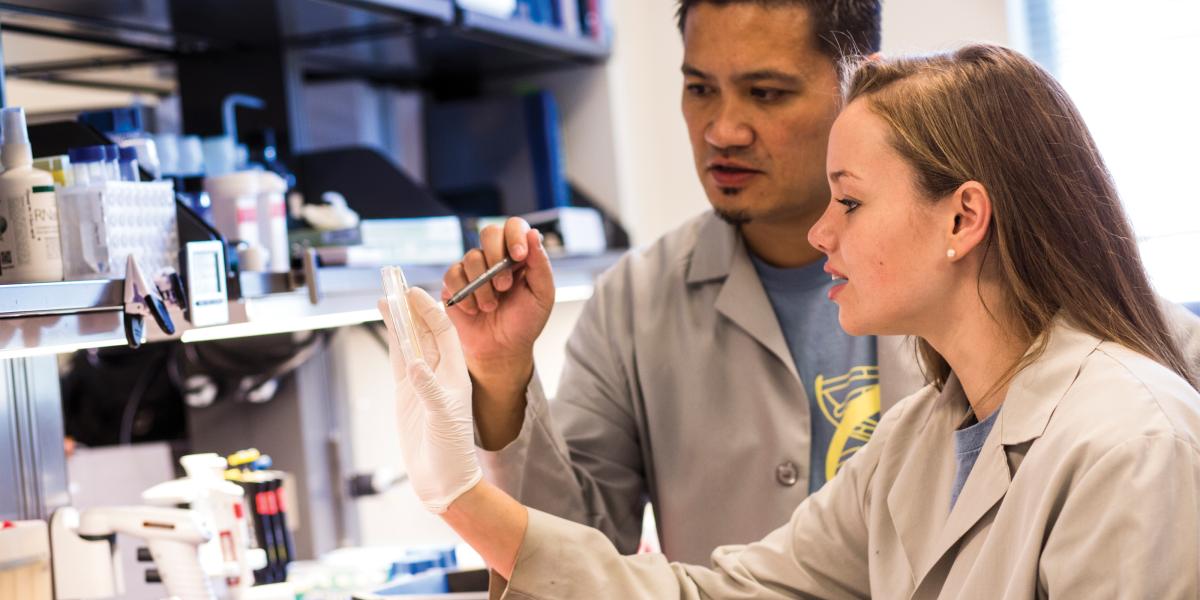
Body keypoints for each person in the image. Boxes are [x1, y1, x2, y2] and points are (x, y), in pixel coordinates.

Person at [382, 44, 1200, 597]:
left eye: (849, 200)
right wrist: (460, 499)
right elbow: (725, 592)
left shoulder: (1129, 443)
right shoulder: (917, 444)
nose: (821, 233)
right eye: (699, 86)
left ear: (962, 220)